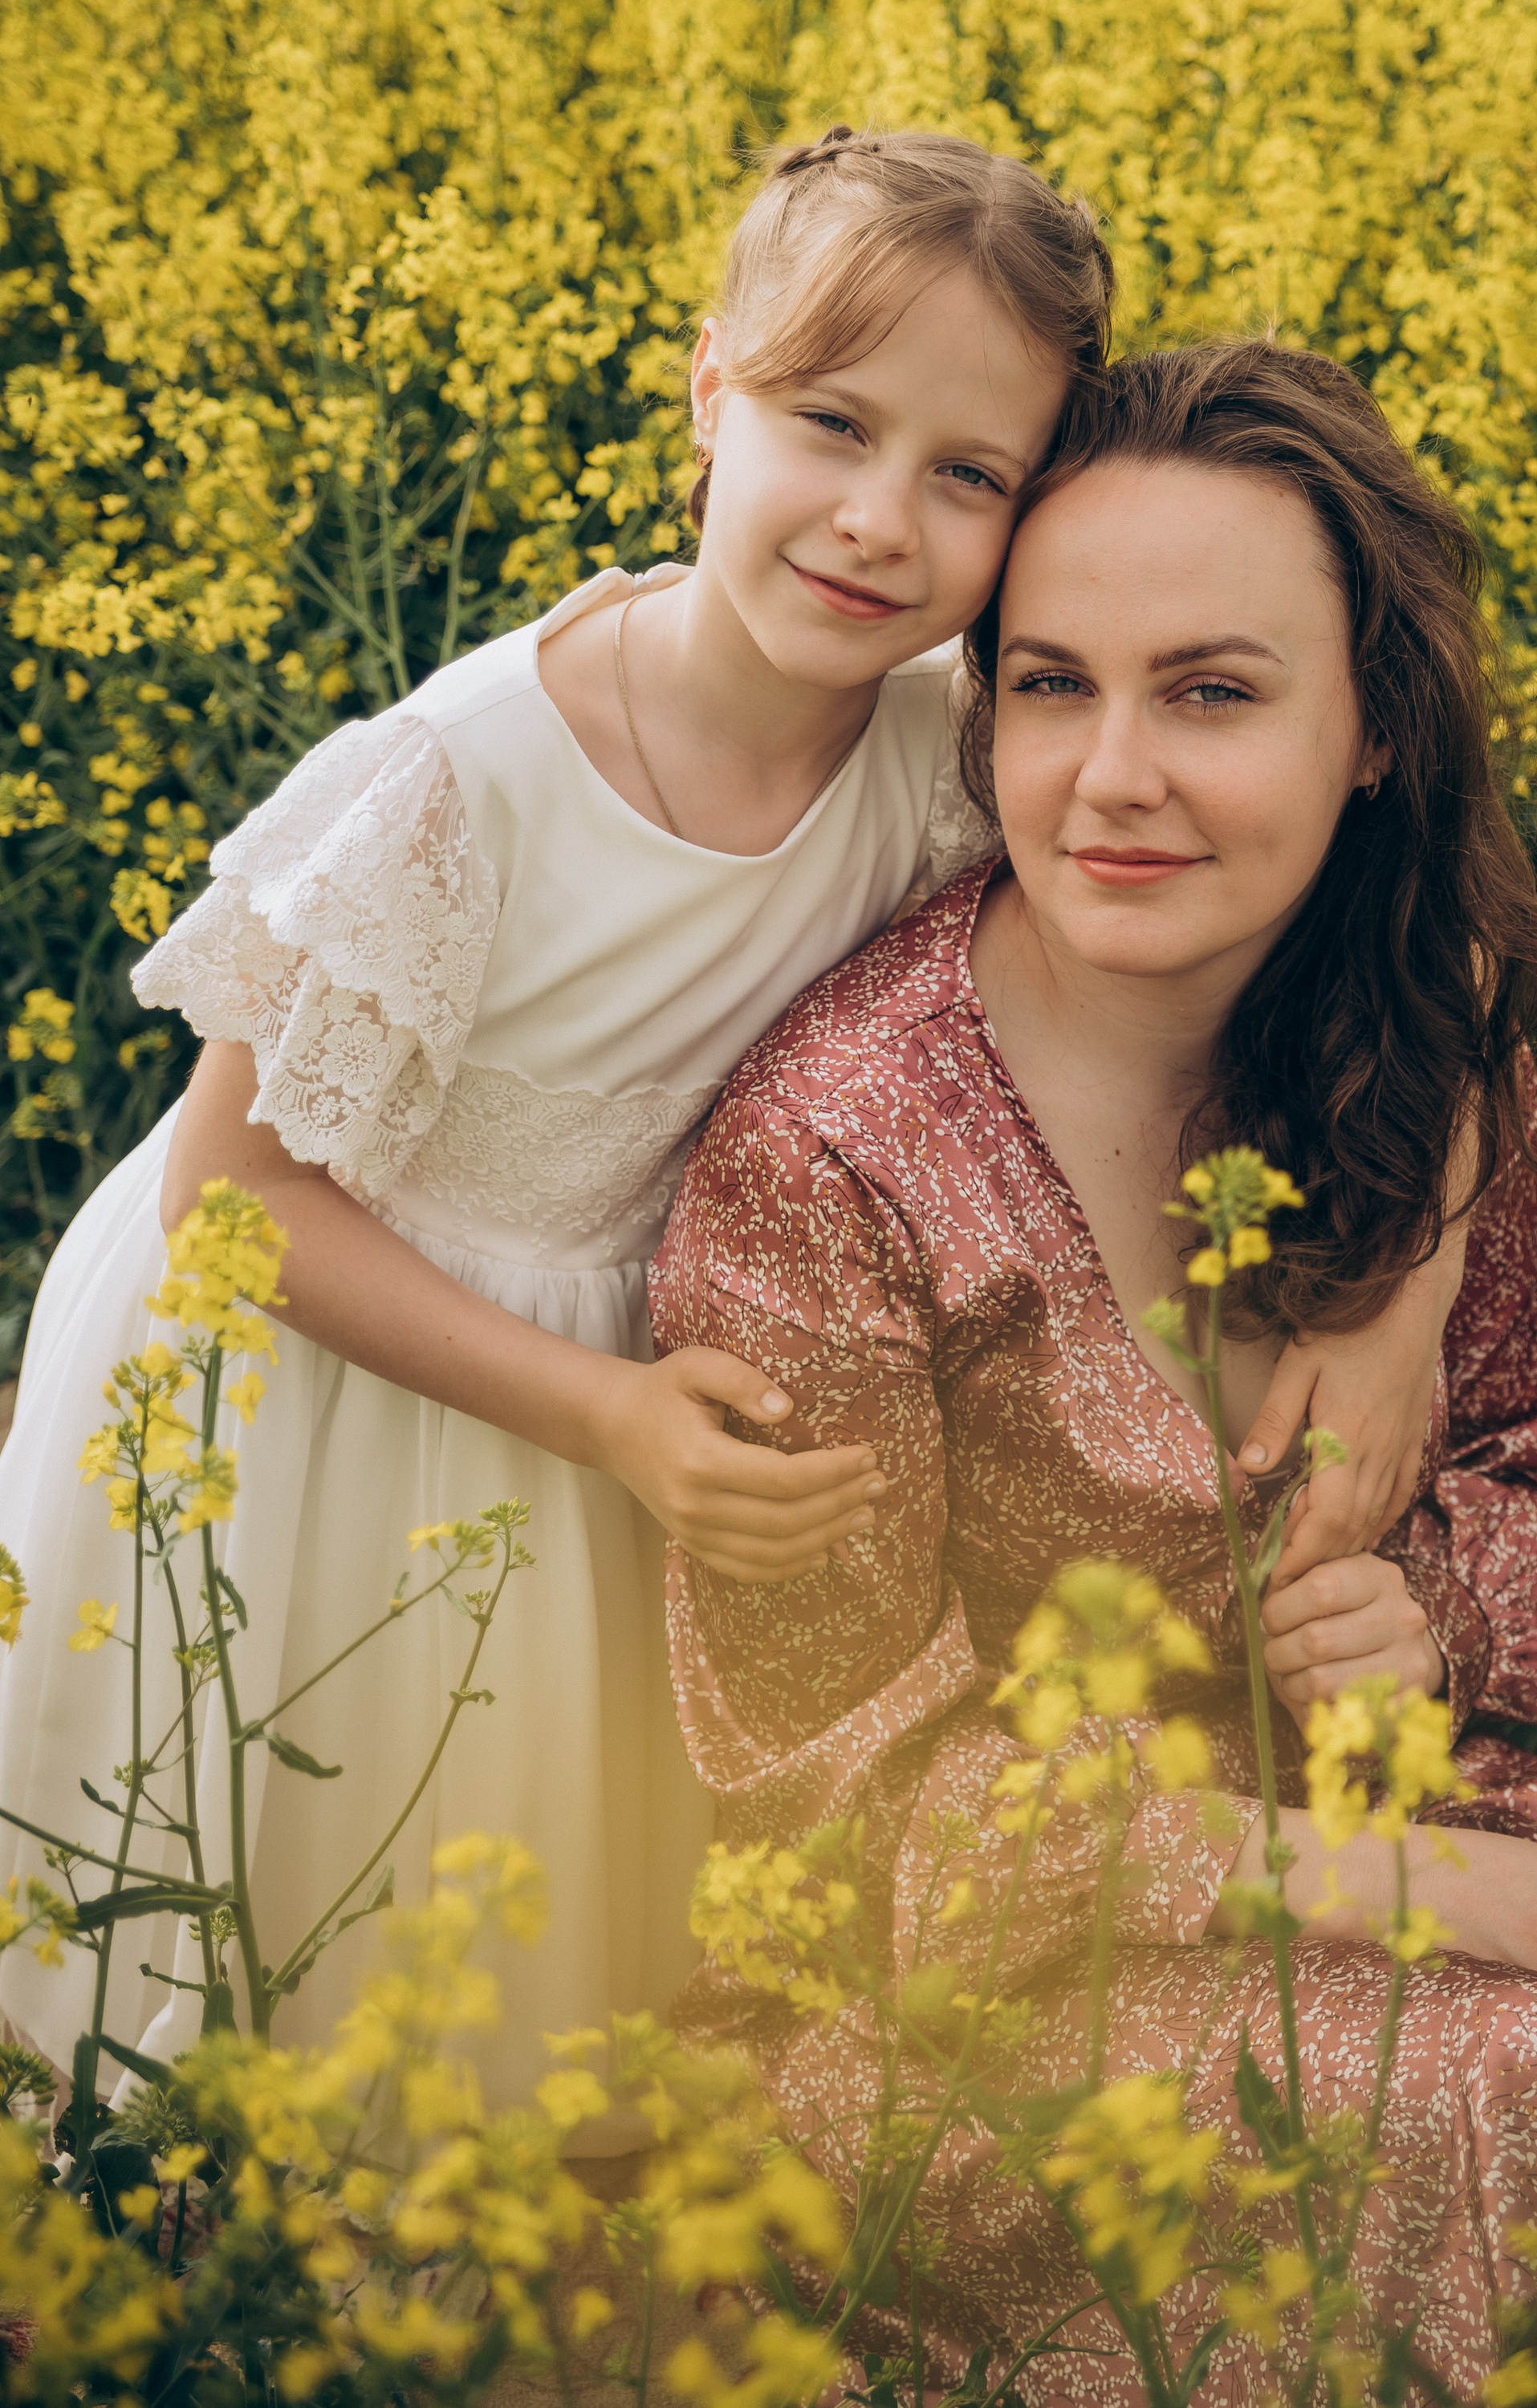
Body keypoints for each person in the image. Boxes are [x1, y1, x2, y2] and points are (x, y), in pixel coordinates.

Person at [653, 339, 1537, 2406]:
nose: (1111, 775)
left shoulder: (1415, 1040)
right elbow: (847, 1819)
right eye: (1052, 682)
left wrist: (1426, 1616)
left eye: (1214, 690)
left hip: (1443, 1906)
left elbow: (1530, 1470)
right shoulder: (829, 1160)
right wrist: (1454, 1887)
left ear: (1371, 733)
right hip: (988, 2036)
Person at [0, 128, 1112, 2105]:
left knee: (529, 1930)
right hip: (315, 1386)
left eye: (969, 476)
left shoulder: (949, 748)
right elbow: (226, 1191)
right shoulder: (466, 778)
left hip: (635, 1395)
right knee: (280, 1894)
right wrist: (597, 1413)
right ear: (710, 395)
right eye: (828, 422)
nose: (877, 519)